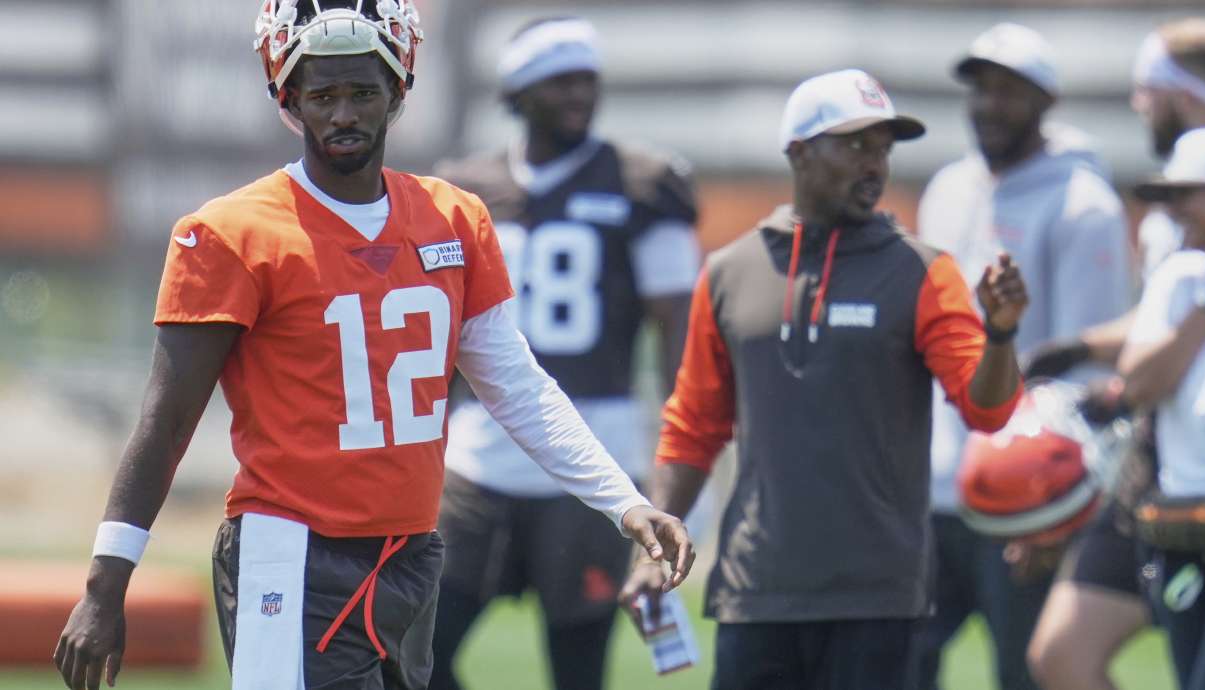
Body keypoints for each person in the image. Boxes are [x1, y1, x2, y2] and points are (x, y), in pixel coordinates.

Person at [51, 3, 694, 690]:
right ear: (289, 99)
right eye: (322, 95)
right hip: (292, 554)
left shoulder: (453, 216)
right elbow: (166, 421)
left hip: (412, 555)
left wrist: (624, 503)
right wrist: (104, 582)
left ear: (398, 91)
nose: (344, 114)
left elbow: (516, 384)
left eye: (362, 92)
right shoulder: (231, 232)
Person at [618, 68, 1030, 690]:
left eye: (884, 148)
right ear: (799, 153)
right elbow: (694, 426)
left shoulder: (924, 273)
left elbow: (988, 411)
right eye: (856, 145)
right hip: (756, 592)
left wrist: (999, 335)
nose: (876, 164)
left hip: (878, 600)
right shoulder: (730, 272)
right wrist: (652, 544)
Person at [425, 17, 700, 690]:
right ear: (518, 91)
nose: (579, 94)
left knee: (578, 672)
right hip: (477, 461)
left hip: (592, 462)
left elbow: (679, 334)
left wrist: (676, 463)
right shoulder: (464, 189)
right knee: (414, 657)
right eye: (560, 81)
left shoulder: (644, 183)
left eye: (587, 80)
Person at [912, 23, 1134, 690]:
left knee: (1026, 675)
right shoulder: (949, 186)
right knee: (895, 663)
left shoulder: (1084, 204)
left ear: (1046, 101)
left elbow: (1083, 366)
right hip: (936, 486)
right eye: (980, 89)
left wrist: (1054, 511)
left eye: (1008, 91)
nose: (988, 105)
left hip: (1023, 497)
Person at [1027, 19, 1205, 690]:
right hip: (1163, 463)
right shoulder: (1180, 228)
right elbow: (1156, 331)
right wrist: (1079, 350)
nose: (1139, 105)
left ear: (1184, 93)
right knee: (1062, 654)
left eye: (1148, 91)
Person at [1119, 126, 1205, 690]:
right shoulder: (1179, 279)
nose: (1175, 211)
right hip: (1184, 530)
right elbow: (1138, 383)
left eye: (1190, 195)